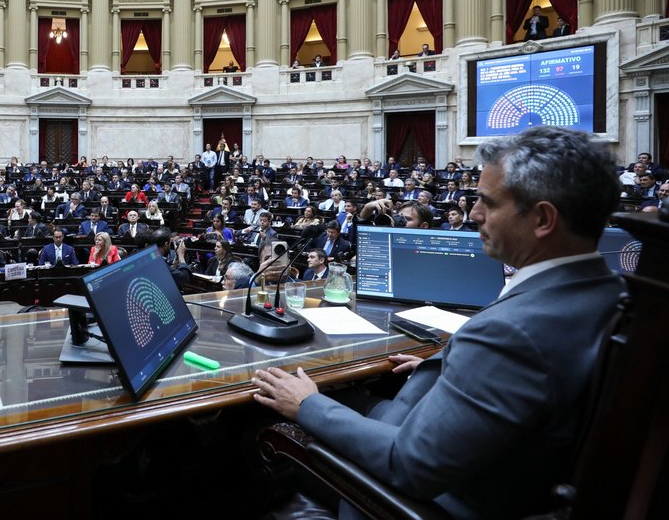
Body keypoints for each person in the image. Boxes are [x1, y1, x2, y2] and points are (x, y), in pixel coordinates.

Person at [252, 126, 623, 519]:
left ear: (543, 219)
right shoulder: (611, 293)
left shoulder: (512, 333)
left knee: (254, 429)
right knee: (351, 395)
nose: (474, 214)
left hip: (419, 500)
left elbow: (407, 465)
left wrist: (307, 404)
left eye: (487, 202)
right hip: (486, 457)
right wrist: (460, 368)